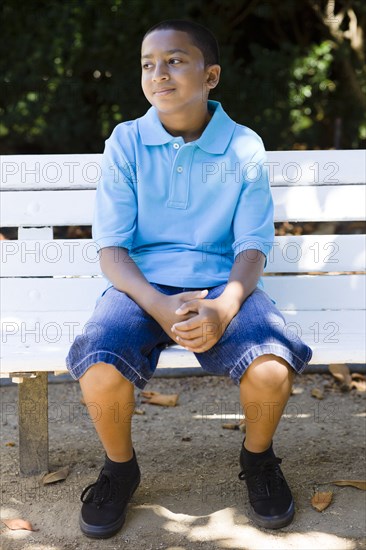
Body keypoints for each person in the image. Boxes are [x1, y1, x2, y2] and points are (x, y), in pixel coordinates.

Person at [66, 19, 312, 538]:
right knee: (100, 364)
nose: (158, 73)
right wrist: (156, 303)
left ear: (211, 75)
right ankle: (119, 468)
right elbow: (111, 250)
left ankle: (259, 460)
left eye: (175, 60)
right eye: (147, 64)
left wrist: (225, 306)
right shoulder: (127, 141)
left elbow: (252, 246)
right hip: (139, 289)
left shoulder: (243, 146)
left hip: (226, 288)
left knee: (270, 367)